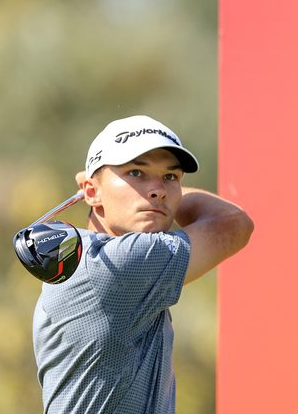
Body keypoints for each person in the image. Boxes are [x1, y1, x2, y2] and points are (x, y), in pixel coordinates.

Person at [32, 115, 254, 413]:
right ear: (90, 190)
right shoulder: (120, 264)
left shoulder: (81, 255)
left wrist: (155, 197)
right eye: (136, 172)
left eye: (170, 177)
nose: (157, 189)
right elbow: (233, 225)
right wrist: (164, 200)